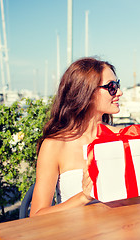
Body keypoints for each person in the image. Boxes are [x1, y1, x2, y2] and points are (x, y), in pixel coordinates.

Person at [30, 57, 123, 217]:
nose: (120, 92)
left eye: (117, 85)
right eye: (111, 87)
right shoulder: (55, 145)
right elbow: (37, 215)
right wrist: (84, 197)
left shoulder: (120, 137)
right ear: (87, 92)